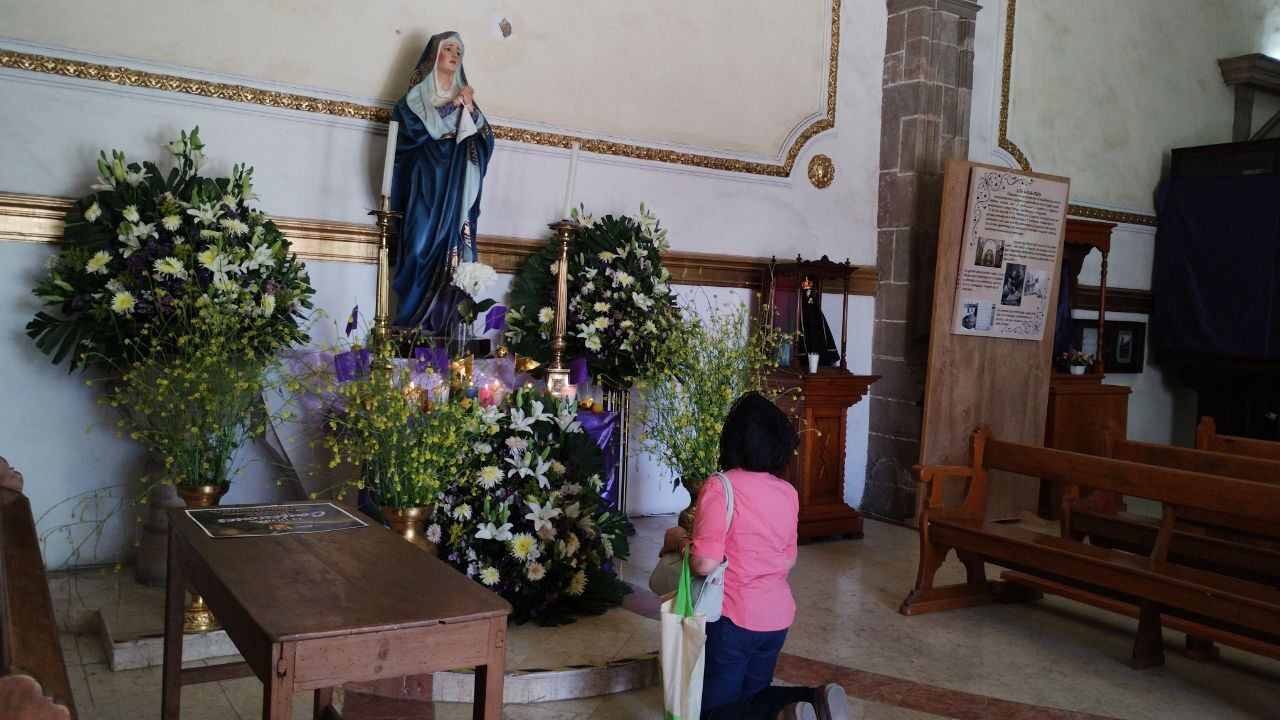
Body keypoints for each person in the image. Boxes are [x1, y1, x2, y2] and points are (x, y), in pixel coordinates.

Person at [660, 392, 849, 720]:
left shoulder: (722, 486)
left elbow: (705, 563)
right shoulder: (787, 492)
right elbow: (789, 560)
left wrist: (680, 542)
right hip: (776, 619)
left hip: (733, 618)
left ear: (733, 439)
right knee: (754, 696)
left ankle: (785, 716)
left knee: (716, 710)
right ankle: (813, 699)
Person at [390, 31, 494, 333]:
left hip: (457, 179)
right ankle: (410, 321)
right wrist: (452, 106)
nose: (454, 54)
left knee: (454, 251)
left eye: (459, 50)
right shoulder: (414, 99)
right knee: (419, 245)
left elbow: (486, 140)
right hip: (425, 176)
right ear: (434, 55)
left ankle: (447, 327)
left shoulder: (468, 97)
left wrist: (470, 110)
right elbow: (410, 132)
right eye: (448, 48)